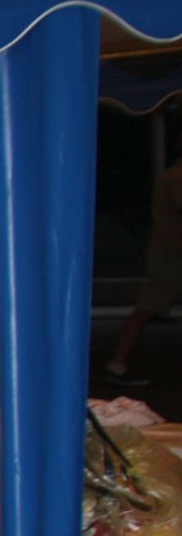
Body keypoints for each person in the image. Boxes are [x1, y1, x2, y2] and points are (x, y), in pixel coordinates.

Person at [105, 134, 182, 387]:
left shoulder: (172, 174)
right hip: (171, 254)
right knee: (147, 306)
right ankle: (117, 363)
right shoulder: (177, 175)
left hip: (170, 251)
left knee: (147, 307)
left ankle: (118, 362)